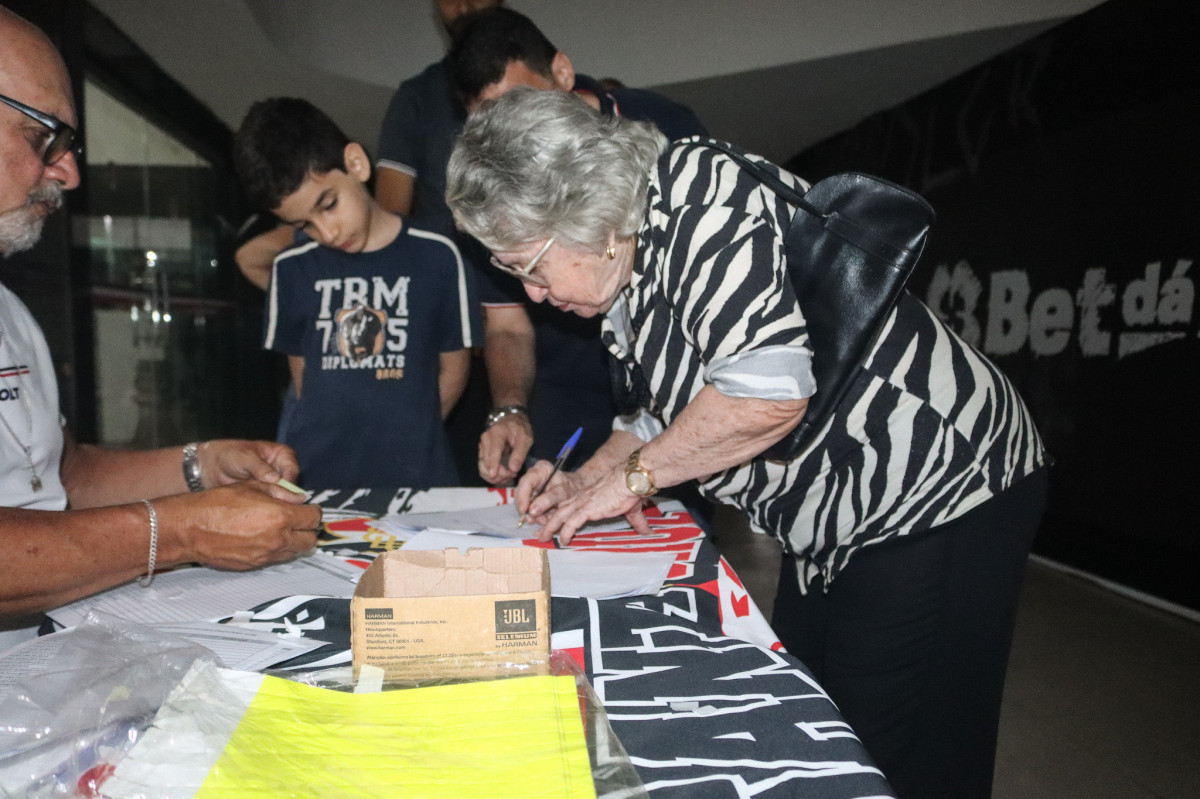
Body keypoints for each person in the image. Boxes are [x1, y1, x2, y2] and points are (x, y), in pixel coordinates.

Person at [446, 88, 1051, 799]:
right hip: (832, 521)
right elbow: (655, 418)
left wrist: (631, 482)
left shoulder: (700, 196)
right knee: (813, 719)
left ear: (580, 212)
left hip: (935, 481)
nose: (533, 293)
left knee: (900, 754)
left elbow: (766, 393)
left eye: (527, 265)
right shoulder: (622, 275)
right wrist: (584, 481)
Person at [0, 8, 321, 625]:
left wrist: (201, 466)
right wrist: (179, 531)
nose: (69, 172)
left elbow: (64, 474)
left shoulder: (11, 312)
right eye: (44, 138)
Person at [446, 5, 707, 484]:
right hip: (570, 392)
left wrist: (626, 482)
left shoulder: (675, 142)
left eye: (520, 106)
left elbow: (757, 391)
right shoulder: (492, 191)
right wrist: (513, 411)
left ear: (562, 73)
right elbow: (507, 325)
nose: (508, 140)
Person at [232, 97, 478, 490]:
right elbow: (304, 379)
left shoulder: (438, 254)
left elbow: (454, 369)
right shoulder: (291, 269)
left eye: (328, 205)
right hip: (316, 480)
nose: (327, 233)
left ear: (356, 164)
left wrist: (411, 431)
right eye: (304, 225)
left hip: (418, 476)